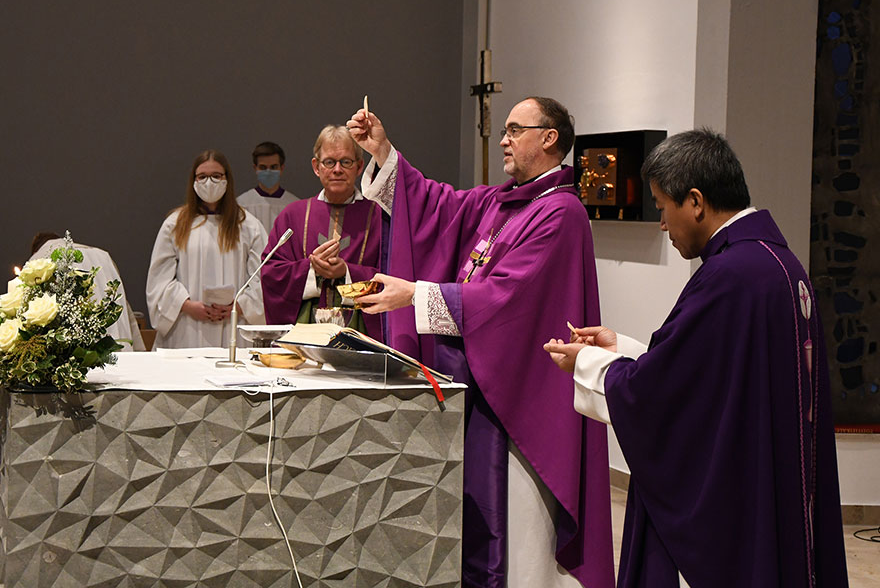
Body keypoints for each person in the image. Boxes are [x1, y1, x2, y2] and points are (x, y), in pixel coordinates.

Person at [544, 129, 849, 587]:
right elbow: (708, 373)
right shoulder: (779, 266)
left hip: (739, 503)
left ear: (696, 201)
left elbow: (666, 395)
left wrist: (584, 365)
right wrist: (620, 348)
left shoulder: (731, 276)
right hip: (777, 485)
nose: (663, 224)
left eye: (663, 206)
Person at [346, 97, 614, 588]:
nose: (505, 140)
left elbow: (507, 299)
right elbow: (434, 205)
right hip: (479, 384)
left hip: (520, 399)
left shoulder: (559, 212)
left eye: (514, 130)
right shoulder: (504, 201)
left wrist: (415, 294)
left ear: (549, 138)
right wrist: (382, 153)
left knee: (518, 537)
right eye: (506, 130)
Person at [261, 125, 382, 338]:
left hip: (361, 337)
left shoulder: (379, 218)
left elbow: (394, 280)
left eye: (346, 162)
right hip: (304, 337)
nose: (337, 169)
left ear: (359, 166)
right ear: (316, 167)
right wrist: (311, 271)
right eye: (329, 162)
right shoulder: (293, 216)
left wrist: (346, 275)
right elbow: (271, 274)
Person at [146, 150, 268, 349]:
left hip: (234, 325)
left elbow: (262, 278)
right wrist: (186, 306)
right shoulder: (175, 224)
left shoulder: (248, 225)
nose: (209, 182)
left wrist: (237, 307)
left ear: (227, 179)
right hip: (187, 327)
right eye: (202, 176)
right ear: (193, 181)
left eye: (216, 176)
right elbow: (159, 280)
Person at [30, 232, 145, 351]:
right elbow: (123, 305)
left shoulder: (39, 261)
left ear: (35, 250)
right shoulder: (102, 256)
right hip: (118, 344)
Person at [237, 141, 299, 233]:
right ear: (255, 168)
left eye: (273, 167)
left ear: (281, 168)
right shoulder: (241, 204)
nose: (268, 171)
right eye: (263, 167)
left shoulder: (295, 205)